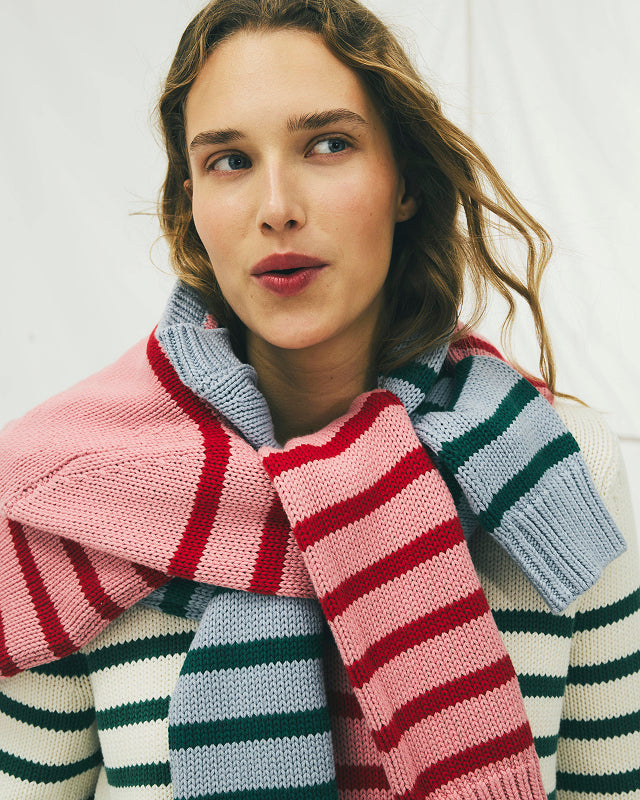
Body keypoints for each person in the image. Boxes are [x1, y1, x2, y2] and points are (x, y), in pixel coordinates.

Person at [0, 0, 638, 798]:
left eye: (328, 145)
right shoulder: (64, 493)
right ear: (192, 205)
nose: (277, 207)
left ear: (403, 180)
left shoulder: (547, 462)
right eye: (229, 160)